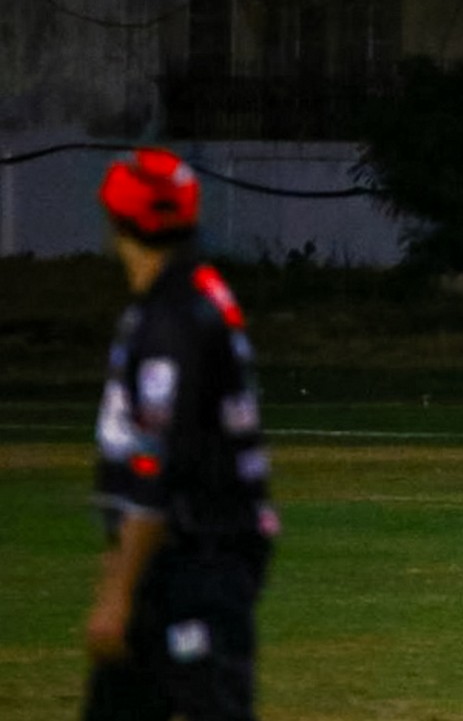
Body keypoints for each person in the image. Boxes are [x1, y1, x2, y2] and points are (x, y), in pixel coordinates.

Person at [83, 147, 280, 721]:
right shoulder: (198, 295)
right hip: (192, 556)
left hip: (191, 561)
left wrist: (117, 590)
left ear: (117, 222)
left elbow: (155, 465)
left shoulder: (169, 319)